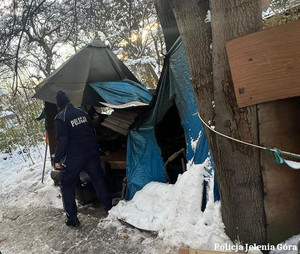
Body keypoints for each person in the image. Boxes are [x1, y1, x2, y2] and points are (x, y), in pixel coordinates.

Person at [54, 90, 112, 227]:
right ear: (69, 101)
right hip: (91, 152)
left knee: (66, 184)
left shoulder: (60, 117)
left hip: (75, 157)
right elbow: (91, 129)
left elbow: (62, 141)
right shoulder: (82, 113)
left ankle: (72, 219)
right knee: (98, 179)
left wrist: (57, 159)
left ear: (58, 105)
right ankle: (109, 207)